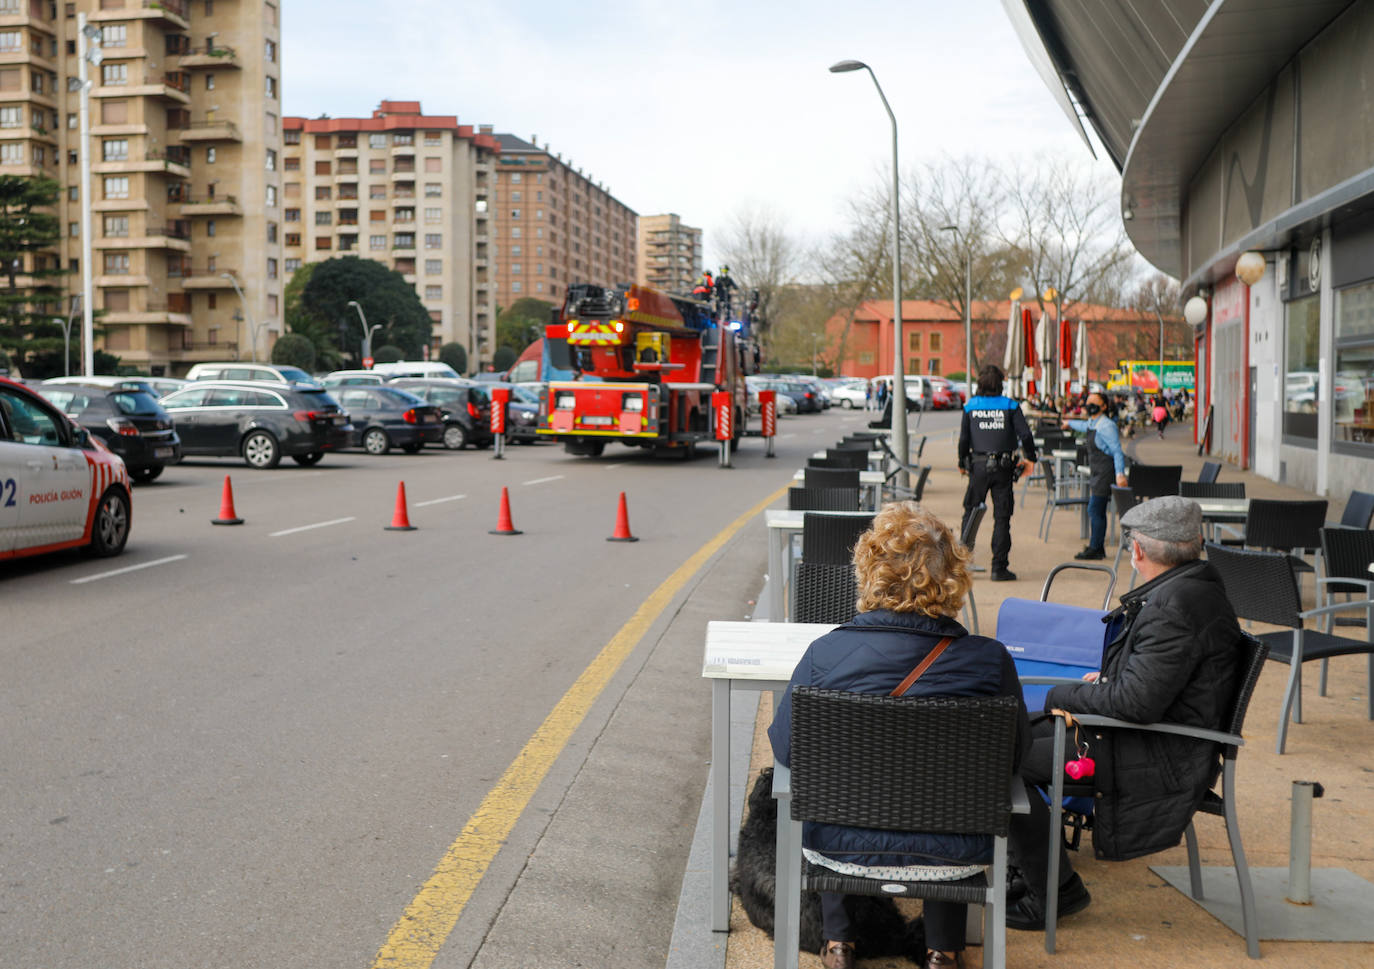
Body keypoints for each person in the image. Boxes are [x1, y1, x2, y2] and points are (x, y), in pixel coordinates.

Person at [769, 503, 1030, 969]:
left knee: (834, 785)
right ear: (952, 576)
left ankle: (839, 944)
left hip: (839, 845)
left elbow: (789, 749)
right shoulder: (990, 662)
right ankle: (943, 952)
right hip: (955, 854)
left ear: (869, 572)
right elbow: (1012, 758)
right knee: (952, 802)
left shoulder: (823, 655)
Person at [1005, 495, 1247, 931]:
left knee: (999, 761)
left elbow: (1134, 703)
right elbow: (1149, 686)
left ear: (1137, 552)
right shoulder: (1193, 589)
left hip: (1156, 755)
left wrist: (1067, 694)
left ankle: (1053, 892)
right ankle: (1030, 867)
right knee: (1006, 739)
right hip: (1152, 739)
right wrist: (1110, 681)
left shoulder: (1174, 608)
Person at [958, 364, 1037, 582]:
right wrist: (1031, 458)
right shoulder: (1010, 405)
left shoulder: (970, 406)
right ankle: (999, 567)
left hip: (979, 466)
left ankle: (962, 564)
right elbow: (1026, 436)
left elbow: (964, 440)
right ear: (1001, 384)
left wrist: (962, 461)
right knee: (1002, 518)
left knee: (970, 514)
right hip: (1003, 467)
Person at [1062, 390, 1128, 560]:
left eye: (1094, 403)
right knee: (1096, 510)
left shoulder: (1106, 426)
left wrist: (1120, 474)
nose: (1089, 405)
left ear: (1104, 406)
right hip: (1097, 472)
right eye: (1088, 402)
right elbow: (1083, 426)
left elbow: (1117, 452)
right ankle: (1097, 547)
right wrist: (1069, 423)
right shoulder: (1093, 422)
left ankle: (1095, 547)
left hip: (1105, 472)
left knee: (1094, 509)